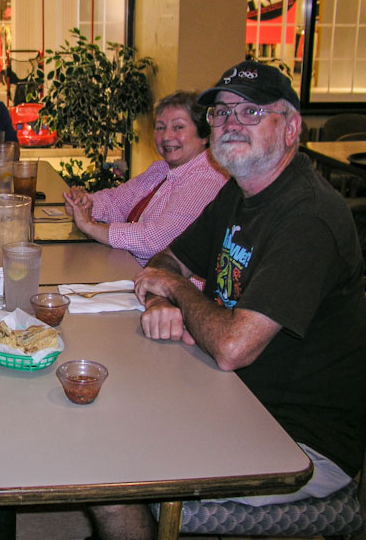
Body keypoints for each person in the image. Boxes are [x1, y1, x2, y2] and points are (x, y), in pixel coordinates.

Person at [90, 61, 366, 540]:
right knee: (106, 406)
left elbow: (233, 346)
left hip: (298, 440)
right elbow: (167, 258)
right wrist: (160, 301)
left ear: (291, 127)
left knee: (109, 471)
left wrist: (174, 292)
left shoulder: (308, 218)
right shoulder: (237, 193)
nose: (231, 123)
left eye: (251, 111)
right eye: (221, 113)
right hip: (230, 394)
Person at [63, 91, 229, 266]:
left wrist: (89, 226)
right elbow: (116, 201)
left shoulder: (207, 179)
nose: (166, 136)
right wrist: (84, 203)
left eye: (178, 127)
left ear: (204, 135)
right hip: (130, 272)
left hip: (169, 289)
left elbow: (157, 240)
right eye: (160, 127)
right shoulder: (160, 170)